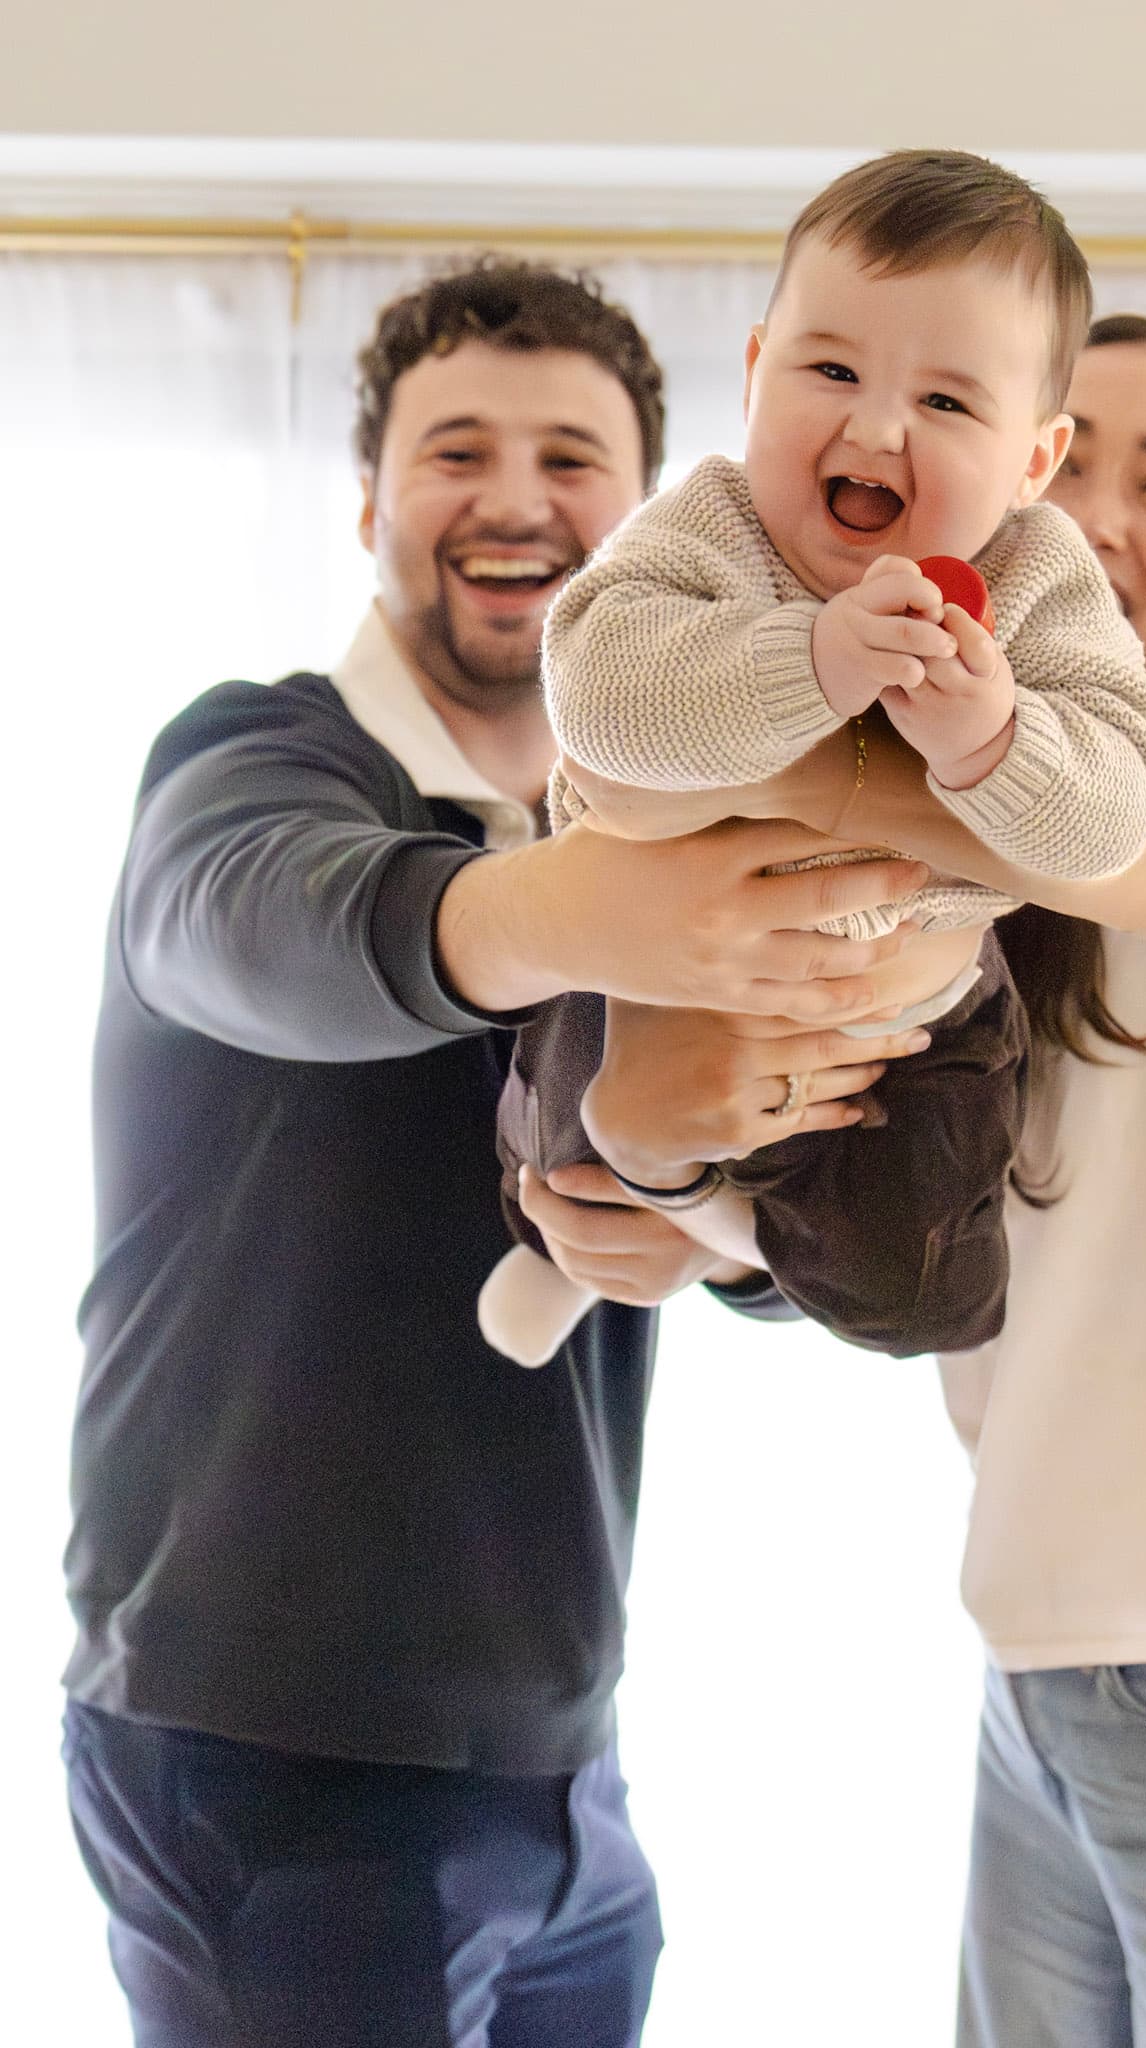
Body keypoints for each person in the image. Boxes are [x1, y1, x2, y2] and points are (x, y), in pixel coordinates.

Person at [562, 315, 1146, 2044]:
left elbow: (1118, 836)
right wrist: (657, 1159)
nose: (1090, 518)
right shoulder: (950, 898)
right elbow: (888, 1226)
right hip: (1049, 1663)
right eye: (1066, 465)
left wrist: (644, 751)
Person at [60, 257, 946, 2048]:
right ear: (372, 503)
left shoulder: (689, 841)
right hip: (271, 1752)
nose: (519, 498)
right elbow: (252, 923)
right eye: (456, 450)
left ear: (654, 530)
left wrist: (715, 1233)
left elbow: (774, 1194)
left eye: (574, 457)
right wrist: (578, 911)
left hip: (561, 1764)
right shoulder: (252, 761)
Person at [478, 150, 1146, 1364]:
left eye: (948, 403)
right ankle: (581, 1255)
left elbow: (1114, 815)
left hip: (906, 1010)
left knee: (925, 1299)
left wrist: (991, 736)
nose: (874, 423)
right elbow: (595, 692)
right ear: (754, 374)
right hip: (649, 962)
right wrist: (810, 659)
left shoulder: (1041, 581)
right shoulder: (709, 523)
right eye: (831, 368)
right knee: (556, 1161)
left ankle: (715, 1230)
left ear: (1031, 460)